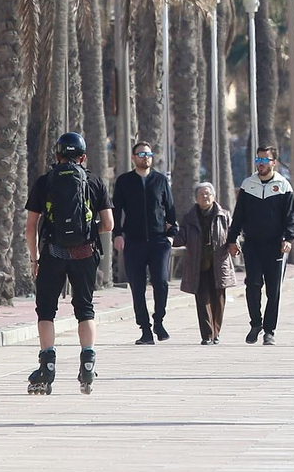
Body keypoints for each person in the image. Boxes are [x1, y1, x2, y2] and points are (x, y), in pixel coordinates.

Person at [25, 132, 114, 394]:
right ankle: (87, 362)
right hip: (85, 253)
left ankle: (47, 365)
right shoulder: (95, 182)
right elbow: (109, 224)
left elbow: (31, 228)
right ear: (83, 157)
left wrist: (34, 258)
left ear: (57, 156)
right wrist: (87, 233)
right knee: (85, 308)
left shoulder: (45, 182)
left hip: (53, 252)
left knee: (46, 310)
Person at [225, 146, 294, 346]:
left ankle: (269, 331)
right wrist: (232, 239)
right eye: (259, 160)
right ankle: (256, 323)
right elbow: (239, 215)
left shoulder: (284, 186)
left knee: (273, 291)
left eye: (265, 159)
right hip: (253, 244)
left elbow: (290, 217)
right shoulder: (248, 185)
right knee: (253, 284)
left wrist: (288, 239)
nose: (261, 163)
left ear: (274, 162)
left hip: (276, 246)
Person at [112, 140, 179, 345]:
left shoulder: (160, 181)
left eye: (149, 154)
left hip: (159, 241)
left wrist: (171, 234)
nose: (146, 158)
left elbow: (170, 208)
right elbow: (116, 210)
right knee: (138, 286)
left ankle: (159, 321)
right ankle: (145, 329)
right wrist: (118, 234)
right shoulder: (124, 181)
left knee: (160, 281)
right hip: (134, 241)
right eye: (141, 154)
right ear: (134, 158)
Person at [175, 182, 235, 343]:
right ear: (196, 198)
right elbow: (181, 237)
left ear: (213, 196)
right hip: (198, 264)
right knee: (202, 300)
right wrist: (169, 237)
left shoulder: (224, 215)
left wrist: (235, 246)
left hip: (219, 264)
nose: (205, 197)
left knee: (218, 301)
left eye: (208, 194)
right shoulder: (189, 218)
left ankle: (216, 332)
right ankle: (207, 335)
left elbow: (232, 236)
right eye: (201, 194)